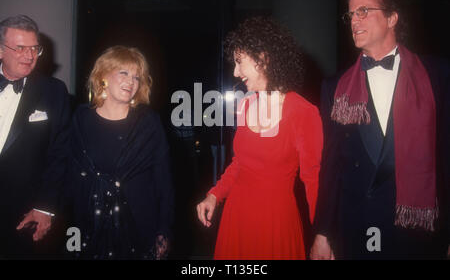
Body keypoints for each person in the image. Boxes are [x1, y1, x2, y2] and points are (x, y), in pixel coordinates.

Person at [311, 0, 450, 260]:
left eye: (364, 11)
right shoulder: (335, 87)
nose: (354, 21)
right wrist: (322, 233)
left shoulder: (438, 75)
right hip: (355, 228)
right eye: (351, 14)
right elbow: (331, 166)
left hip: (417, 233)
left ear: (392, 17)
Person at [196, 17, 323, 259]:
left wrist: (323, 235)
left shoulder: (303, 111)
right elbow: (239, 163)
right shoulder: (245, 106)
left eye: (239, 62)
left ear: (263, 59)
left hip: (276, 223)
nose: (235, 72)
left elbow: (314, 181)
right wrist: (214, 194)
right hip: (237, 218)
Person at [65, 46, 174, 259]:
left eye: (136, 77)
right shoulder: (80, 119)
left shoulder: (148, 123)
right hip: (88, 227)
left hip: (139, 226)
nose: (131, 81)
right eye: (123, 73)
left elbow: (164, 181)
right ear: (103, 76)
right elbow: (69, 173)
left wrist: (164, 229)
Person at [0, 15, 71, 258]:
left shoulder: (53, 92)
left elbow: (60, 154)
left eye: (34, 48)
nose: (30, 56)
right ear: (0, 50)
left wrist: (45, 208)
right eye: (20, 48)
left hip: (23, 217)